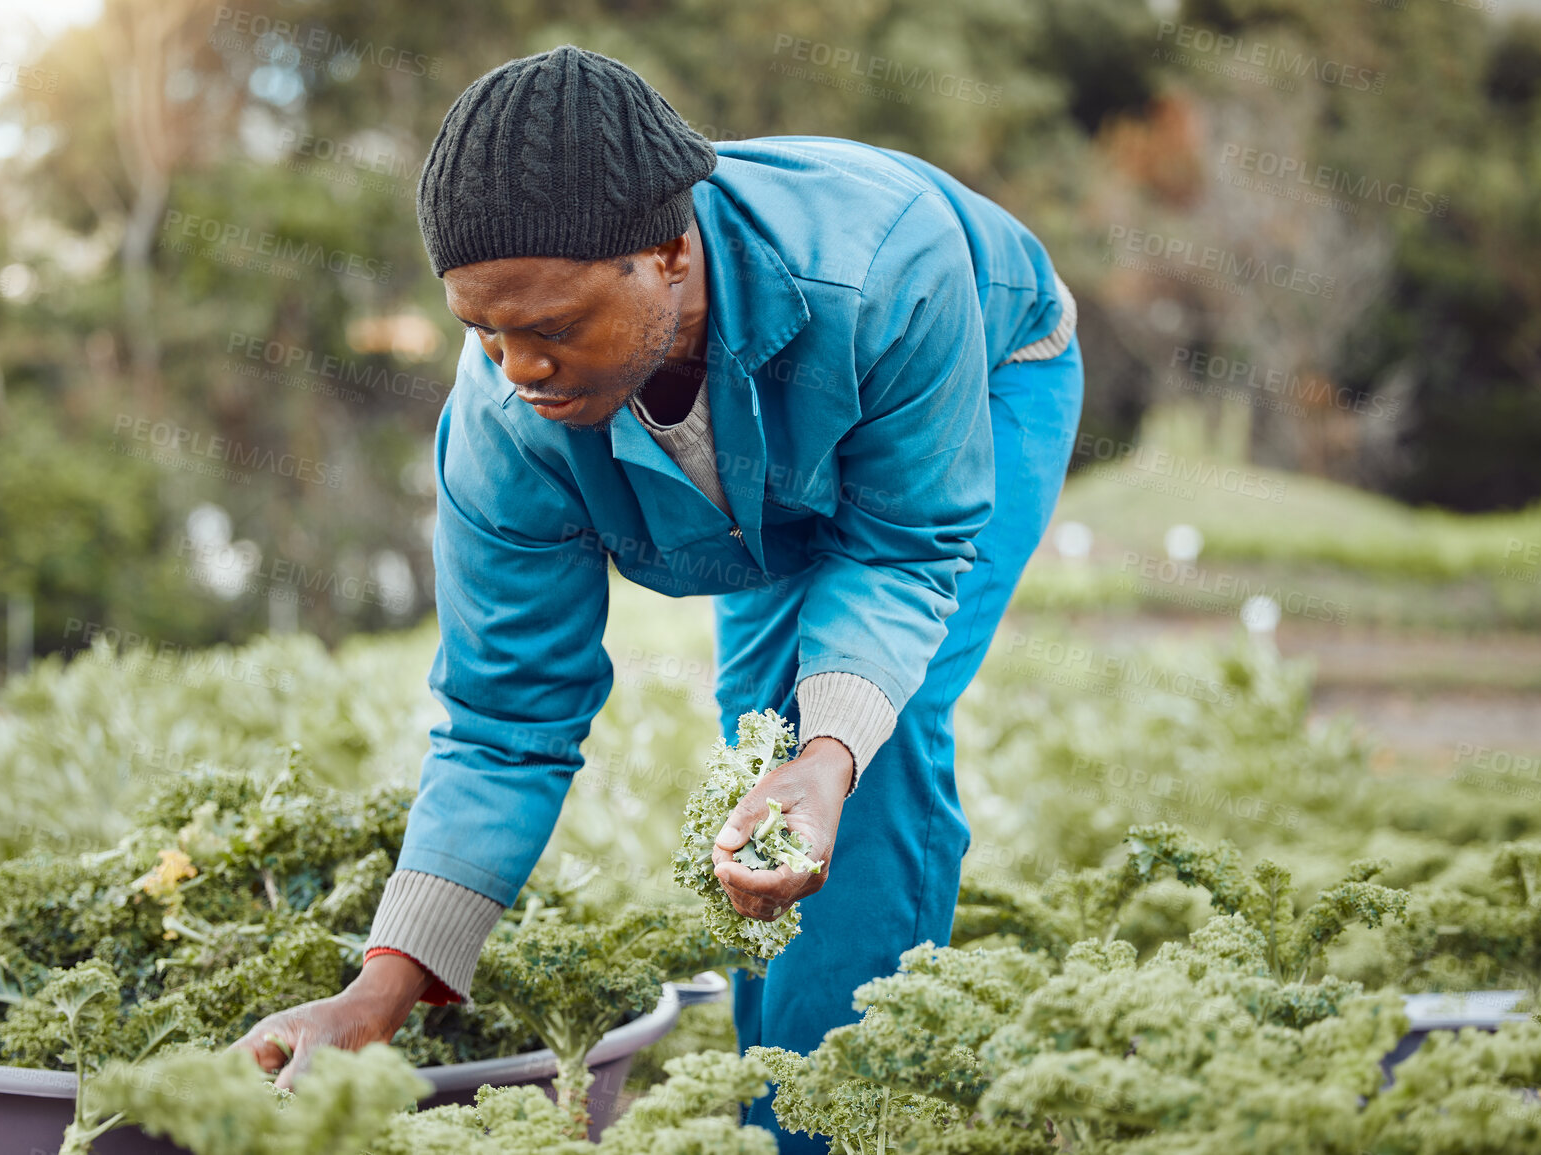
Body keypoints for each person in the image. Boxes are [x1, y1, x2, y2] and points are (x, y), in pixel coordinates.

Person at [233, 44, 1083, 1154]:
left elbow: (903, 552)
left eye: (549, 328)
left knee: (863, 747)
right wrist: (378, 992)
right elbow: (504, 720)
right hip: (783, 444)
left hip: (984, 364)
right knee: (764, 757)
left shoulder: (880, 269)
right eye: (482, 332)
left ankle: (846, 1122)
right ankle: (771, 1097)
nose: (518, 367)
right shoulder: (504, 431)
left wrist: (831, 754)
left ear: (670, 253)